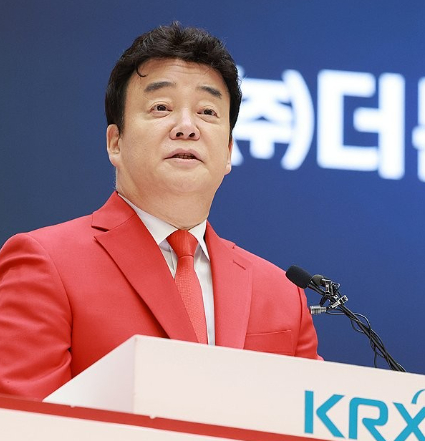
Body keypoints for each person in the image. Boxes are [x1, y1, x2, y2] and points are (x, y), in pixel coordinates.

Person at [0, 22, 320, 400]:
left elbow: (309, 419)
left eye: (207, 111)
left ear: (229, 151)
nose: (186, 127)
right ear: (115, 142)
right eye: (161, 107)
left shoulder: (282, 294)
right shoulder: (46, 263)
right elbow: (25, 421)